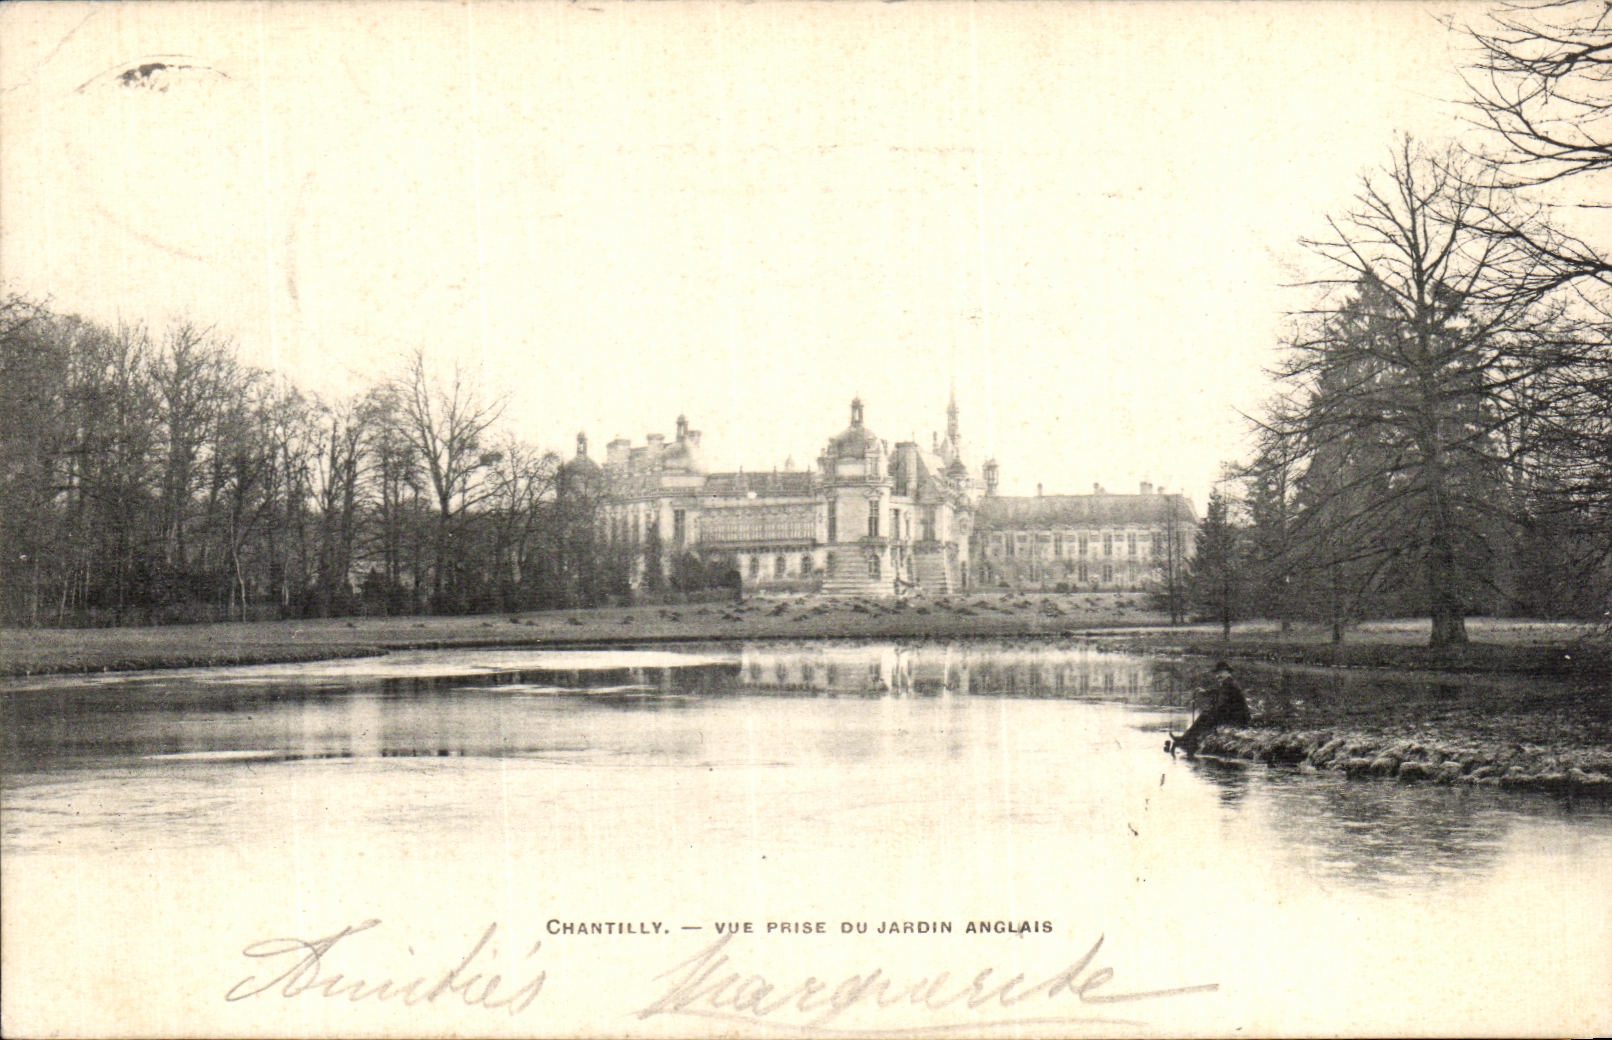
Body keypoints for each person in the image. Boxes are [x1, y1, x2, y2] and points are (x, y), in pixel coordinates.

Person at [1166, 661, 1250, 758]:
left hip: (1237, 719)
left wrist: (1211, 711)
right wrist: (1205, 692)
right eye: (1217, 673)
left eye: (1221, 673)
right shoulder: (1227, 683)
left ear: (1228, 672)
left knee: (1205, 717)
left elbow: (1222, 705)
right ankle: (1188, 740)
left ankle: (1187, 740)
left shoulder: (1228, 685)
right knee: (1205, 716)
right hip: (1235, 716)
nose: (1218, 676)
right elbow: (1218, 692)